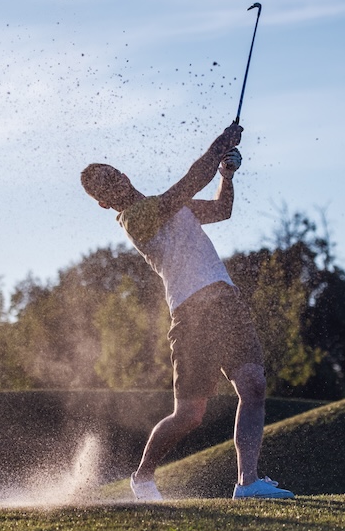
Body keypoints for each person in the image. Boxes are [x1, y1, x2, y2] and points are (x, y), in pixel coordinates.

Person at [80, 122, 295, 501]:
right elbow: (190, 182)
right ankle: (143, 477)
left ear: (123, 174)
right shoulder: (136, 218)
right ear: (102, 203)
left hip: (226, 300)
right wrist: (220, 146)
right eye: (102, 186)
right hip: (191, 313)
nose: (111, 183)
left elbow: (221, 210)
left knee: (254, 386)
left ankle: (248, 483)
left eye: (110, 175)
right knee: (190, 415)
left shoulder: (176, 208)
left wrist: (226, 176)